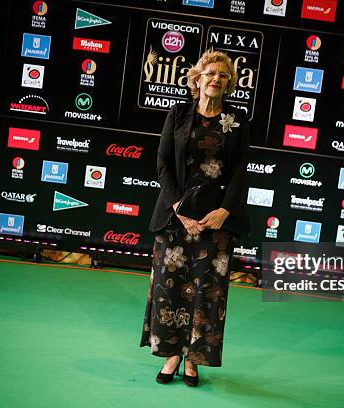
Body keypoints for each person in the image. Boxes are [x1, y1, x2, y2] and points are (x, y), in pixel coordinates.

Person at [139, 50, 251, 387]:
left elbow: (241, 171)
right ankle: (172, 355)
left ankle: (194, 360)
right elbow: (162, 163)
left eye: (223, 75)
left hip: (215, 222)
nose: (216, 79)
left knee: (207, 293)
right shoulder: (178, 113)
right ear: (197, 79)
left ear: (229, 83)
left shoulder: (237, 119)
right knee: (169, 290)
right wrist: (179, 210)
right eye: (211, 73)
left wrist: (224, 211)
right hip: (176, 217)